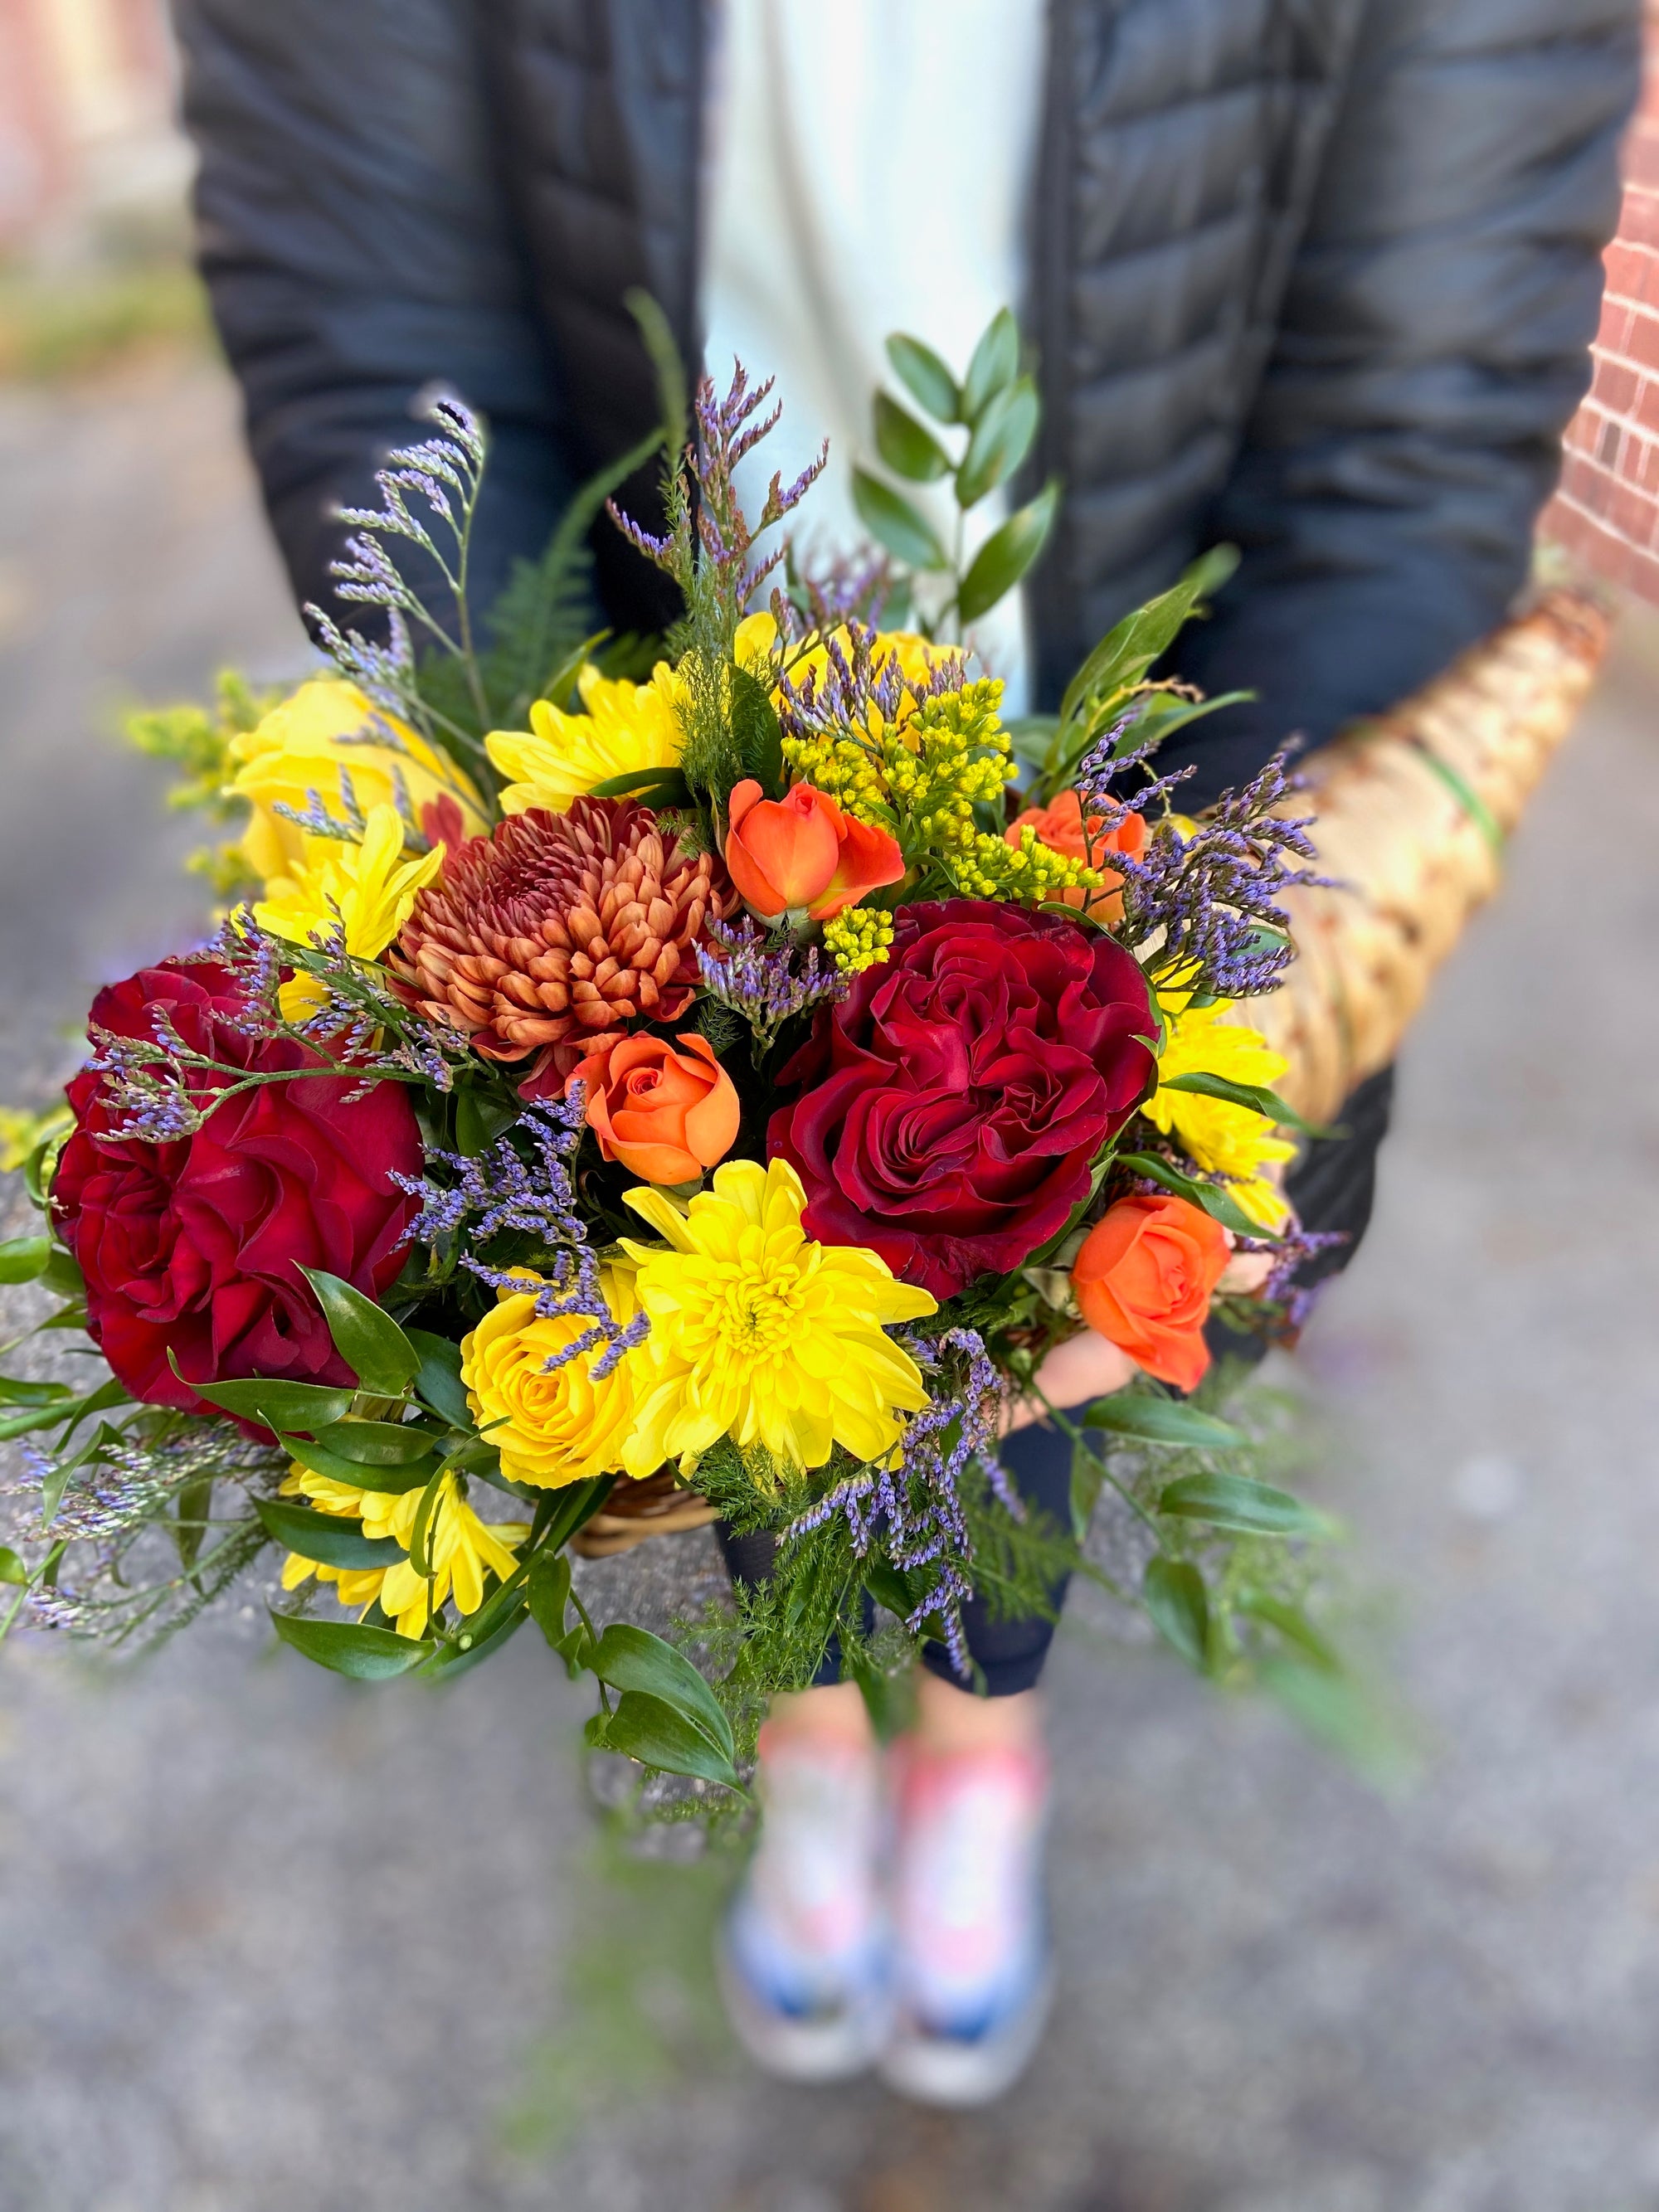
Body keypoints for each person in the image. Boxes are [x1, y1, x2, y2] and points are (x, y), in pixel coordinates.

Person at [172, 0, 1637, 2104]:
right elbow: (383, 308)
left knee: (1031, 1293)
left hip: (1151, 785)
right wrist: (573, 882)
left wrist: (1201, 1002)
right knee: (691, 1324)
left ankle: (978, 1749)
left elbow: (1402, 416)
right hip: (634, 752)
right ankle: (806, 1734)